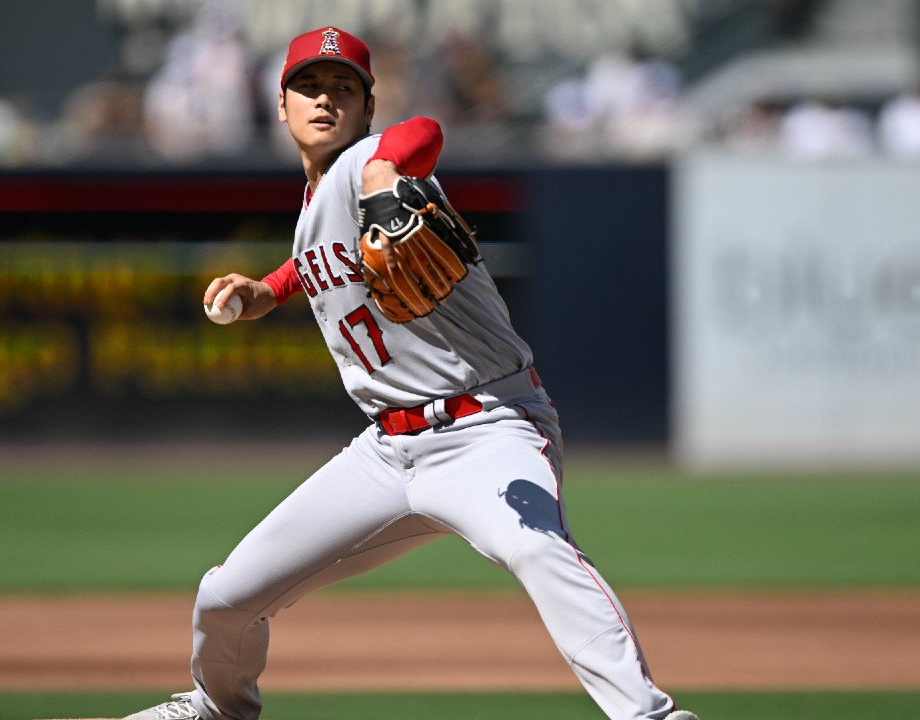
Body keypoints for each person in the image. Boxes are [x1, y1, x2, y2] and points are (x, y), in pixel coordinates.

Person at [123, 27, 699, 720]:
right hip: (386, 452)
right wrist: (266, 292)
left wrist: (382, 174)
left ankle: (650, 715)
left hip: (488, 425)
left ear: (368, 108)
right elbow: (314, 261)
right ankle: (219, 707)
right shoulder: (314, 205)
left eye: (345, 88)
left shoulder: (371, 162)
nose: (325, 100)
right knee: (225, 595)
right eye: (309, 87)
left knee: (536, 548)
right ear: (281, 105)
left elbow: (422, 131)